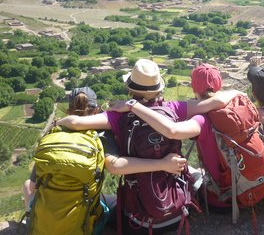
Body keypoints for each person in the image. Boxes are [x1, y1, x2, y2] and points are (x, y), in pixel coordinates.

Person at [56, 59, 240, 234]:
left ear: (131, 88)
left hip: (139, 222)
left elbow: (76, 123)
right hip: (179, 212)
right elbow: (216, 102)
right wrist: (238, 93)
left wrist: (58, 121)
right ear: (158, 88)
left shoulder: (117, 117)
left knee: (105, 203)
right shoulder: (175, 108)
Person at [109, 63, 264, 212]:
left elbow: (173, 131)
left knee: (189, 172)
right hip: (257, 188)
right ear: (220, 85)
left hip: (222, 201)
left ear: (194, 89)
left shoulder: (201, 119)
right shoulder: (241, 106)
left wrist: (134, 106)